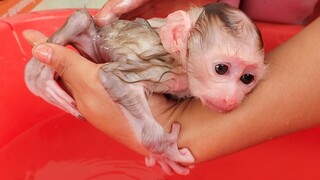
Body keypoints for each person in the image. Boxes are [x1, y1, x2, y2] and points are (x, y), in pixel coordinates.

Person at [24, 0, 320, 167]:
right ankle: (38, 70)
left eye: (247, 79)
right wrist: (154, 135)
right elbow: (110, 77)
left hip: (275, 30)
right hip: (131, 39)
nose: (232, 97)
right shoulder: (173, 70)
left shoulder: (198, 68)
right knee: (82, 24)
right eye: (221, 70)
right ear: (177, 39)